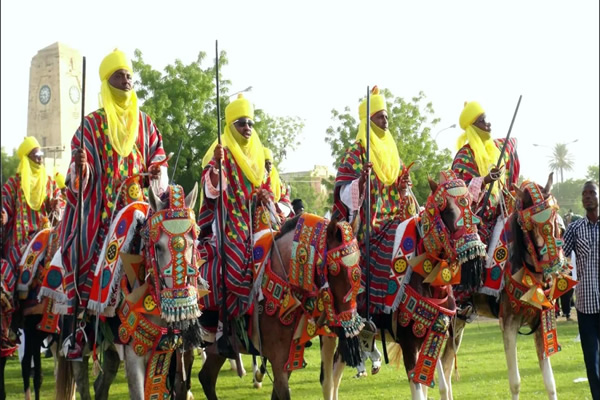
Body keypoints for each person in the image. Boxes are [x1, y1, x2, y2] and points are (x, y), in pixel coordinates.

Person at [59, 49, 168, 358]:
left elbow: (157, 154)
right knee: (76, 247)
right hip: (104, 211)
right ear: (108, 82)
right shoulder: (91, 126)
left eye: (130, 75)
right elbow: (78, 171)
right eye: (120, 75)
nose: (127, 80)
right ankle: (77, 330)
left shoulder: (145, 124)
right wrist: (82, 168)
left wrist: (156, 170)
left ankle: (183, 319)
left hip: (140, 206)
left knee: (174, 247)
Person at [332, 85, 418, 314]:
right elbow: (343, 194)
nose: (385, 120)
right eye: (380, 116)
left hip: (394, 220)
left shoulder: (393, 154)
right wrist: (360, 183)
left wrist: (403, 189)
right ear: (368, 120)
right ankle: (371, 310)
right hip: (367, 227)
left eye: (387, 116)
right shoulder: (357, 152)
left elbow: (403, 194)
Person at [198, 94, 271, 324]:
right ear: (231, 126)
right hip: (229, 222)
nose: (247, 127)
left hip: (258, 219)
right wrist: (217, 169)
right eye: (241, 123)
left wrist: (264, 195)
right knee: (237, 259)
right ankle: (224, 322)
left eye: (250, 123)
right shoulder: (224, 153)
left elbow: (267, 187)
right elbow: (210, 188)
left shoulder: (259, 157)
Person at [451, 101, 520, 246]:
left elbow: (512, 144)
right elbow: (459, 190)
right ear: (472, 127)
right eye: (482, 121)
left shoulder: (496, 149)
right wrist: (485, 180)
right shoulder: (464, 155)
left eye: (486, 119)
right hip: (476, 226)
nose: (488, 124)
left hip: (499, 218)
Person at [562, 181, 599, 400]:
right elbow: (559, 256)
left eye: (592, 193)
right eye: (584, 194)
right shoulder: (575, 229)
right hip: (585, 307)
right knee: (592, 363)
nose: (587, 197)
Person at [1, 137, 61, 269]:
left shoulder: (49, 182)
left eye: (41, 155)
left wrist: (56, 205)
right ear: (27, 159)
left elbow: (59, 200)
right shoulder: (15, 183)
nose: (40, 159)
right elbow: (4, 203)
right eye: (36, 155)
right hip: (21, 238)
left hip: (44, 233)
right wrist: (4, 214)